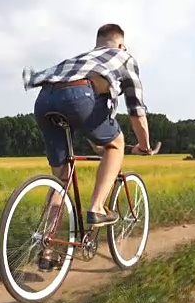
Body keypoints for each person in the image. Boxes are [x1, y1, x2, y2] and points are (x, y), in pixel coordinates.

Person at [22, 23, 154, 230]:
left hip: (44, 99)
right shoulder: (124, 58)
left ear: (98, 44)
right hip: (78, 95)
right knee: (116, 144)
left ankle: (45, 248)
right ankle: (97, 207)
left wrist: (99, 144)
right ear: (121, 45)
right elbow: (136, 110)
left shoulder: (83, 59)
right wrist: (145, 146)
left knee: (61, 179)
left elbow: (90, 116)